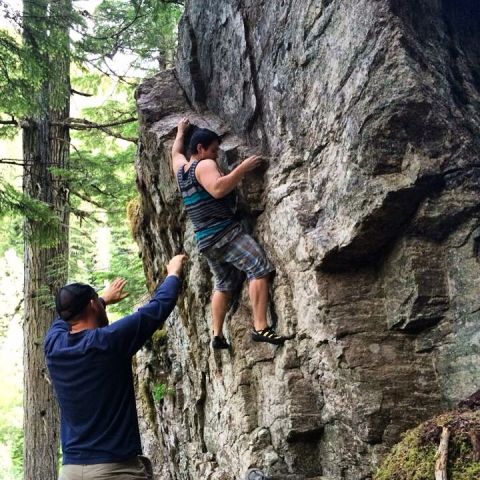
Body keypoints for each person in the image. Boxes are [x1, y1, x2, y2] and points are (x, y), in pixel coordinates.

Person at [44, 254, 186, 480]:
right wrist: (173, 273)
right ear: (91, 305)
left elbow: (64, 318)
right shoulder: (108, 342)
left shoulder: (53, 345)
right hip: (116, 470)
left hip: (70, 471)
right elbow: (157, 308)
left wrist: (100, 301)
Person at [172, 118, 289, 349]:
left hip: (205, 241)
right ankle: (260, 327)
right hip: (224, 234)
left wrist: (180, 131)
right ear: (200, 149)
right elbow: (218, 189)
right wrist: (243, 168)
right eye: (214, 150)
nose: (216, 155)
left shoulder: (180, 169)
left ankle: (216, 335)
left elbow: (176, 151)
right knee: (259, 267)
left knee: (224, 283)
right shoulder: (204, 165)